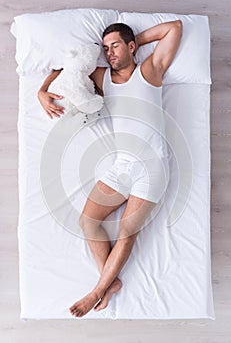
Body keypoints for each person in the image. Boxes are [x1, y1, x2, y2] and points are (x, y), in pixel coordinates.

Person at [38, 20, 182, 317]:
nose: (109, 53)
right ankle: (110, 282)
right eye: (105, 48)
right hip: (122, 165)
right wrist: (41, 91)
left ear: (130, 47)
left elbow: (174, 28)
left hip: (152, 168)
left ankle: (96, 292)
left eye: (115, 46)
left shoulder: (150, 71)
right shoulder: (103, 78)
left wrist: (135, 42)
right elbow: (66, 69)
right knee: (88, 221)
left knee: (127, 232)